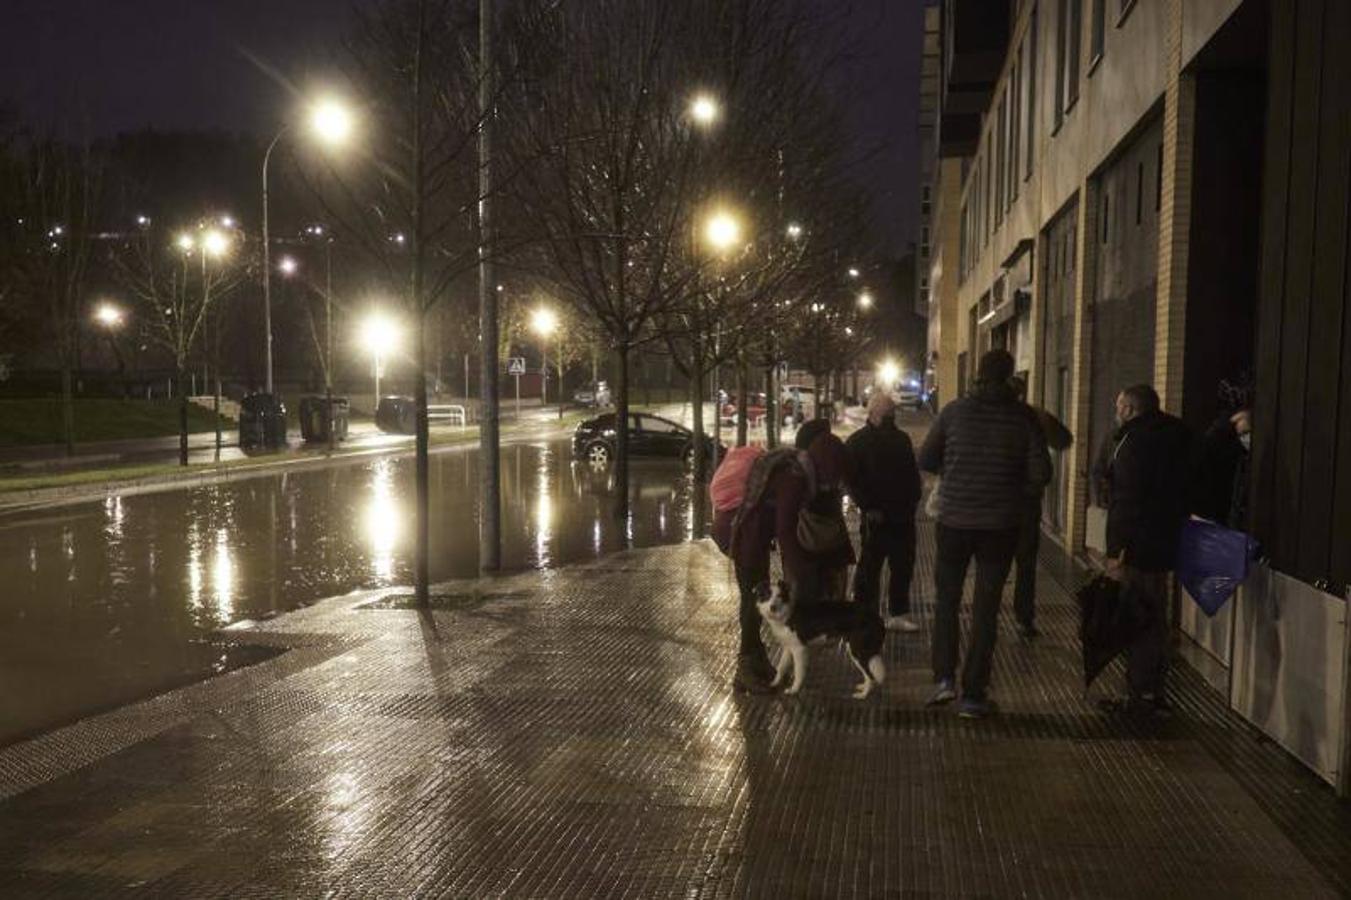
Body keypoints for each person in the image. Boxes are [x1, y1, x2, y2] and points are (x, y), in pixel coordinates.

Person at [917, 349, 1051, 718]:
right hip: (1000, 526)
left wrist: (957, 470)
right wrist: (1012, 490)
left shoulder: (954, 412)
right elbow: (1041, 473)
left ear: (977, 374)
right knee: (986, 608)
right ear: (1010, 377)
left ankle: (944, 679)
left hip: (954, 522)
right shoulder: (1023, 418)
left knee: (947, 600)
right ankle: (974, 695)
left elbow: (926, 459)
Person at [713, 426, 855, 693]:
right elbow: (785, 530)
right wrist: (801, 574)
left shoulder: (798, 467)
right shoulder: (795, 478)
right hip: (741, 533)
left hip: (746, 531)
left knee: (755, 596)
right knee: (751, 600)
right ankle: (745, 669)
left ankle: (757, 662)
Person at [1103, 384, 1193, 716]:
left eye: (1118, 407)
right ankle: (1153, 690)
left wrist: (1116, 550)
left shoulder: (1134, 442)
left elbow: (1126, 500)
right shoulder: (1179, 435)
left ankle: (1141, 695)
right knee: (1155, 617)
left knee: (1138, 618)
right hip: (1167, 540)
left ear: (1129, 408)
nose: (1116, 413)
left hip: (1137, 545)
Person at [846, 392, 922, 631]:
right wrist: (867, 506)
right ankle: (866, 612)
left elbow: (911, 474)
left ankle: (896, 612)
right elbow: (852, 480)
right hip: (877, 515)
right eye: (886, 414)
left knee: (902, 564)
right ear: (873, 414)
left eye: (892, 414)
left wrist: (912, 500)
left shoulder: (901, 439)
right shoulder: (858, 441)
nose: (890, 418)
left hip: (901, 513)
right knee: (870, 566)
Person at [1008, 376, 1071, 639]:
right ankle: (1024, 618)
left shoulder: (976, 415)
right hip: (1025, 505)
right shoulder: (1034, 417)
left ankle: (985, 618)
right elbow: (1064, 440)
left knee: (991, 564)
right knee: (1025, 564)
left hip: (991, 504)